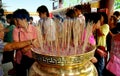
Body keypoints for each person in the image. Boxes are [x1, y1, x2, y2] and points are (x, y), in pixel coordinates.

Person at [12, 9, 38, 76]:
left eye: (18, 20)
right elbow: (16, 45)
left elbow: (38, 43)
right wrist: (32, 43)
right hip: (20, 59)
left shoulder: (34, 29)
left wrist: (27, 47)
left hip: (33, 58)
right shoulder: (16, 30)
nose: (16, 22)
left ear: (25, 19)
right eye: (15, 20)